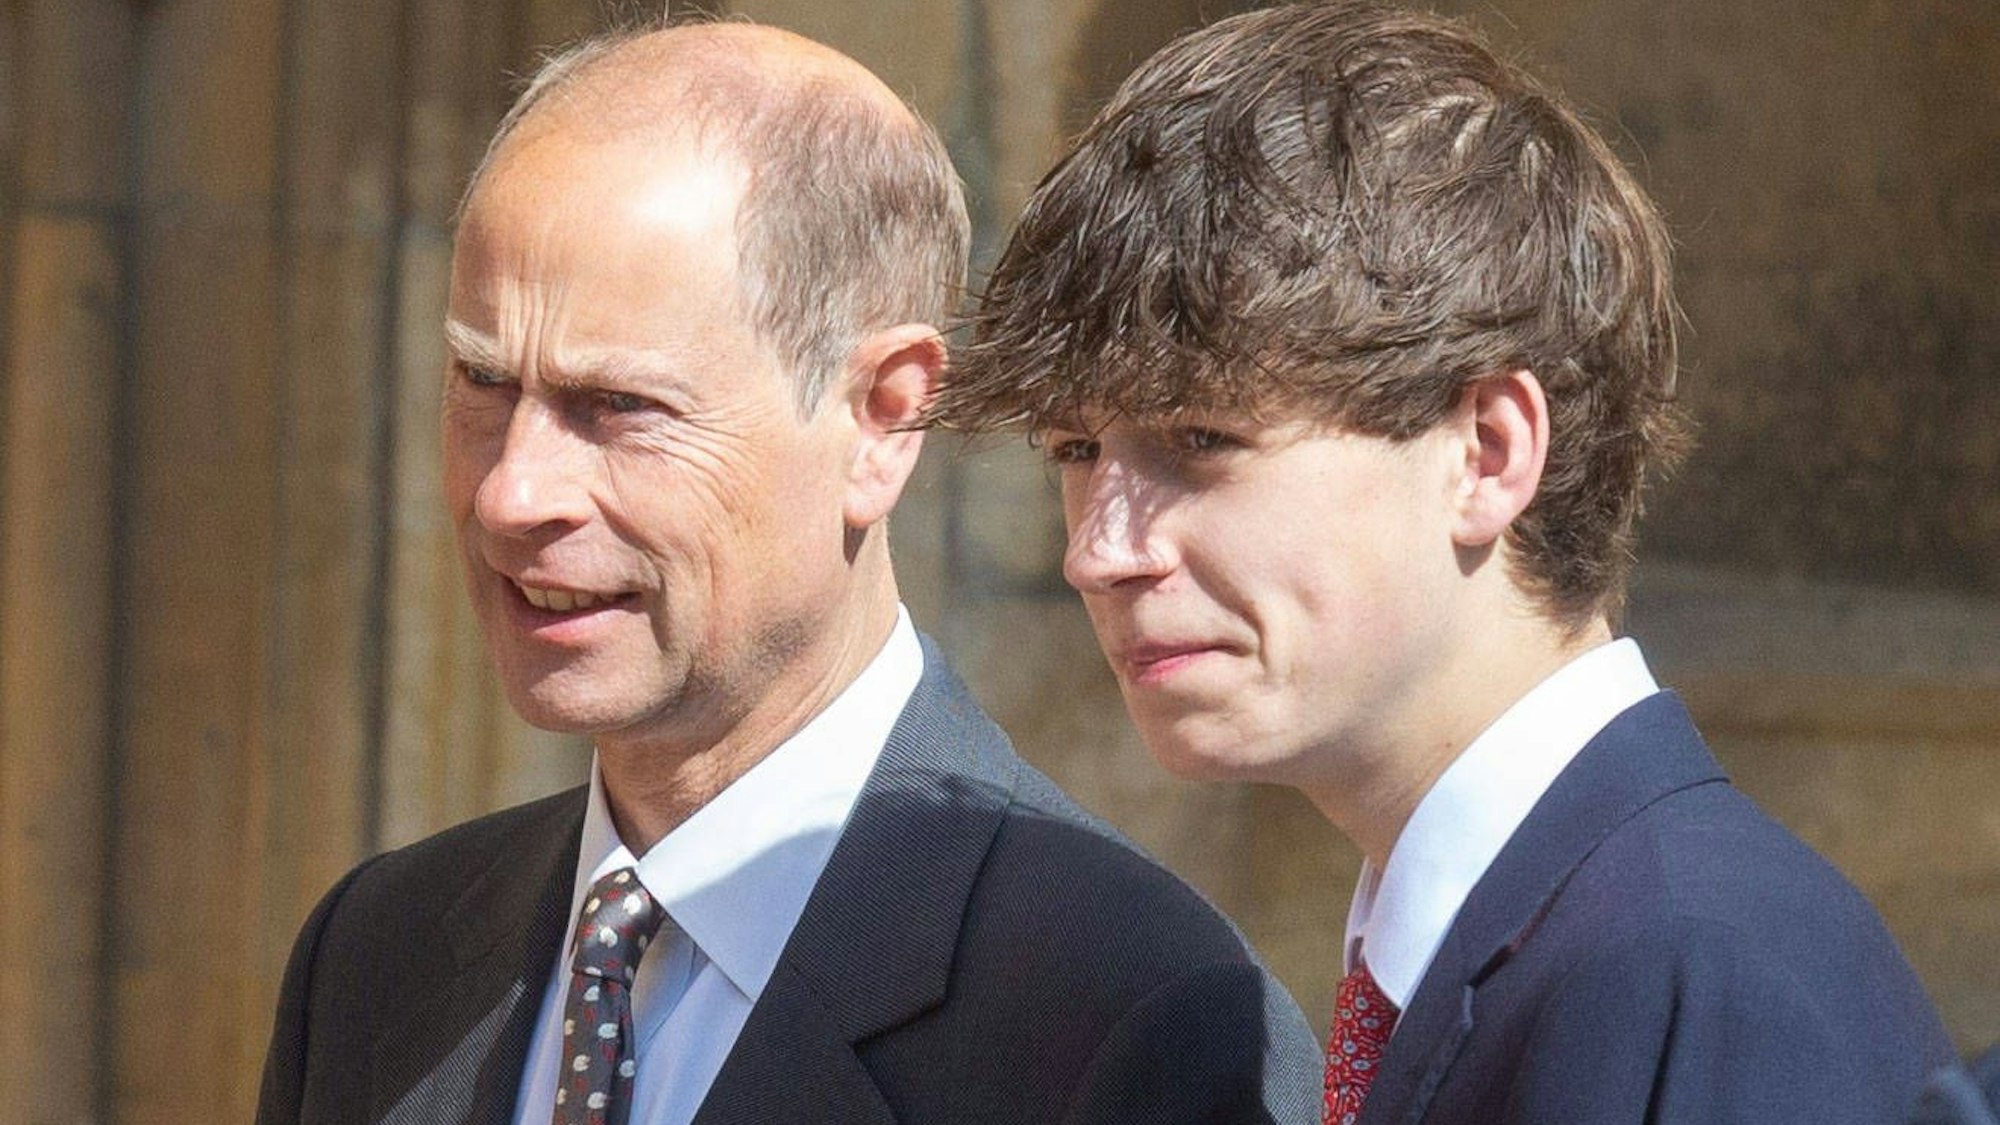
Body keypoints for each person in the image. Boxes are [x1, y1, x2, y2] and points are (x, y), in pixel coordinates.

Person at [256, 20, 1321, 1125]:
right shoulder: (376, 957)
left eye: (617, 407)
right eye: (482, 379)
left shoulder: (1129, 1020)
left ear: (882, 418)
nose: (511, 493)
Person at [929, 2, 1954, 1122]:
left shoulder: (1688, 980)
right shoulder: (1527, 941)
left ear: (1486, 452)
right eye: (1074, 451)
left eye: (1200, 439)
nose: (1099, 551)